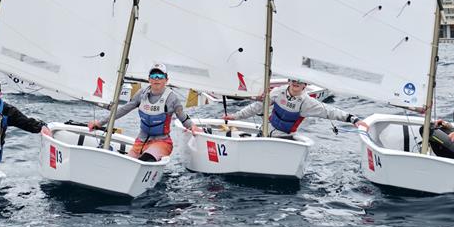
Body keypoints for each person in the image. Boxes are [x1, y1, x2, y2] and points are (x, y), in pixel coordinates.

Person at [88, 63, 199, 162]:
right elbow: (123, 110)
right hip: (140, 142)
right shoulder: (141, 94)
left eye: (160, 76)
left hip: (162, 142)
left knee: (146, 159)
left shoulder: (172, 98)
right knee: (128, 163)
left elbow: (183, 117)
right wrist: (100, 123)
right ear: (149, 79)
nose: (156, 79)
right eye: (153, 76)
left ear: (166, 79)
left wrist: (193, 126)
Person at [222, 78, 367, 136]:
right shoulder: (278, 92)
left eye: (300, 81)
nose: (296, 82)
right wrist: (235, 116)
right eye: (293, 80)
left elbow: (330, 111)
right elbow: (257, 107)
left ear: (305, 85)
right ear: (289, 81)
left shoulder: (306, 102)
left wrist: (353, 120)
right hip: (265, 132)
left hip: (285, 139)